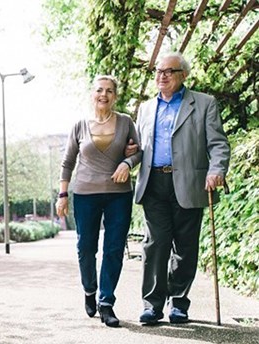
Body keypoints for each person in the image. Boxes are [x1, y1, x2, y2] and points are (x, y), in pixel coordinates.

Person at [135, 52, 230, 325]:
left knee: (185, 247)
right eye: (158, 71)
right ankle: (152, 305)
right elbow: (139, 145)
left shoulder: (204, 104)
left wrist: (216, 170)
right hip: (154, 182)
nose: (161, 75)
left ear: (183, 75)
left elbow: (218, 144)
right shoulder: (145, 109)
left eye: (169, 71)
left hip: (190, 182)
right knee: (155, 244)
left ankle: (178, 303)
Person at [56, 75, 142, 327]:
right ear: (92, 94)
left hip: (119, 194)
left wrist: (127, 162)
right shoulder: (80, 125)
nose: (103, 95)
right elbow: (68, 162)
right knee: (86, 248)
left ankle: (107, 303)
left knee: (114, 249)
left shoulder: (126, 122)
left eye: (109, 91)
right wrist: (62, 195)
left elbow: (138, 152)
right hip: (85, 194)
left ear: (115, 95)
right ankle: (89, 290)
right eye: (99, 90)